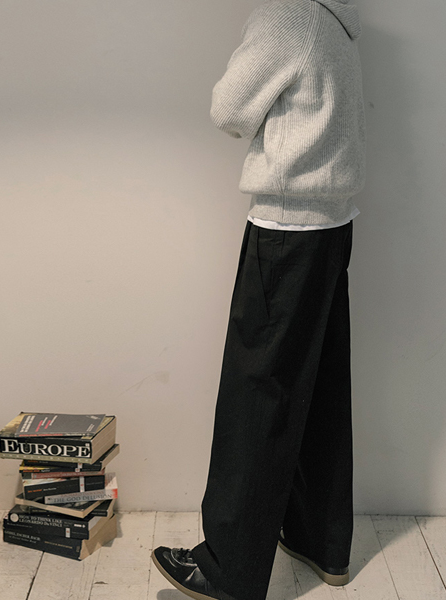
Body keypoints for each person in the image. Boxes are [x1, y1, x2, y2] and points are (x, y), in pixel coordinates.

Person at [151, 0, 366, 599]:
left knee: (258, 394)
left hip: (287, 229)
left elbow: (229, 110)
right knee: (321, 387)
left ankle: (229, 570)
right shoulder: (339, 15)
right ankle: (320, 540)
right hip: (332, 224)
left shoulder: (288, 14)